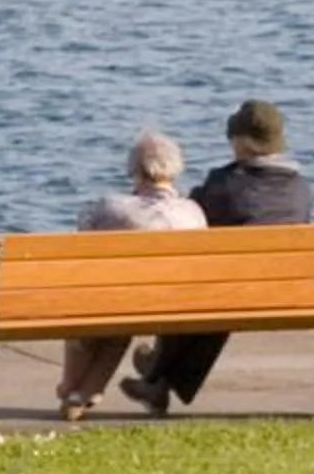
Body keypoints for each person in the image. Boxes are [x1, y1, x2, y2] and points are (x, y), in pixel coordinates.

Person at [118, 99, 312, 416]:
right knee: (221, 284)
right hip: (286, 292)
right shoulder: (300, 189)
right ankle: (157, 376)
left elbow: (192, 220)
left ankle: (157, 375)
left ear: (240, 142)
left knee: (204, 285)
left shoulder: (225, 184)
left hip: (229, 290)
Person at [54, 130, 203, 420]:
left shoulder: (112, 208)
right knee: (120, 318)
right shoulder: (193, 213)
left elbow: (80, 246)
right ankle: (80, 395)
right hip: (177, 304)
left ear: (134, 170)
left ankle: (73, 389)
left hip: (120, 300)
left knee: (100, 310)